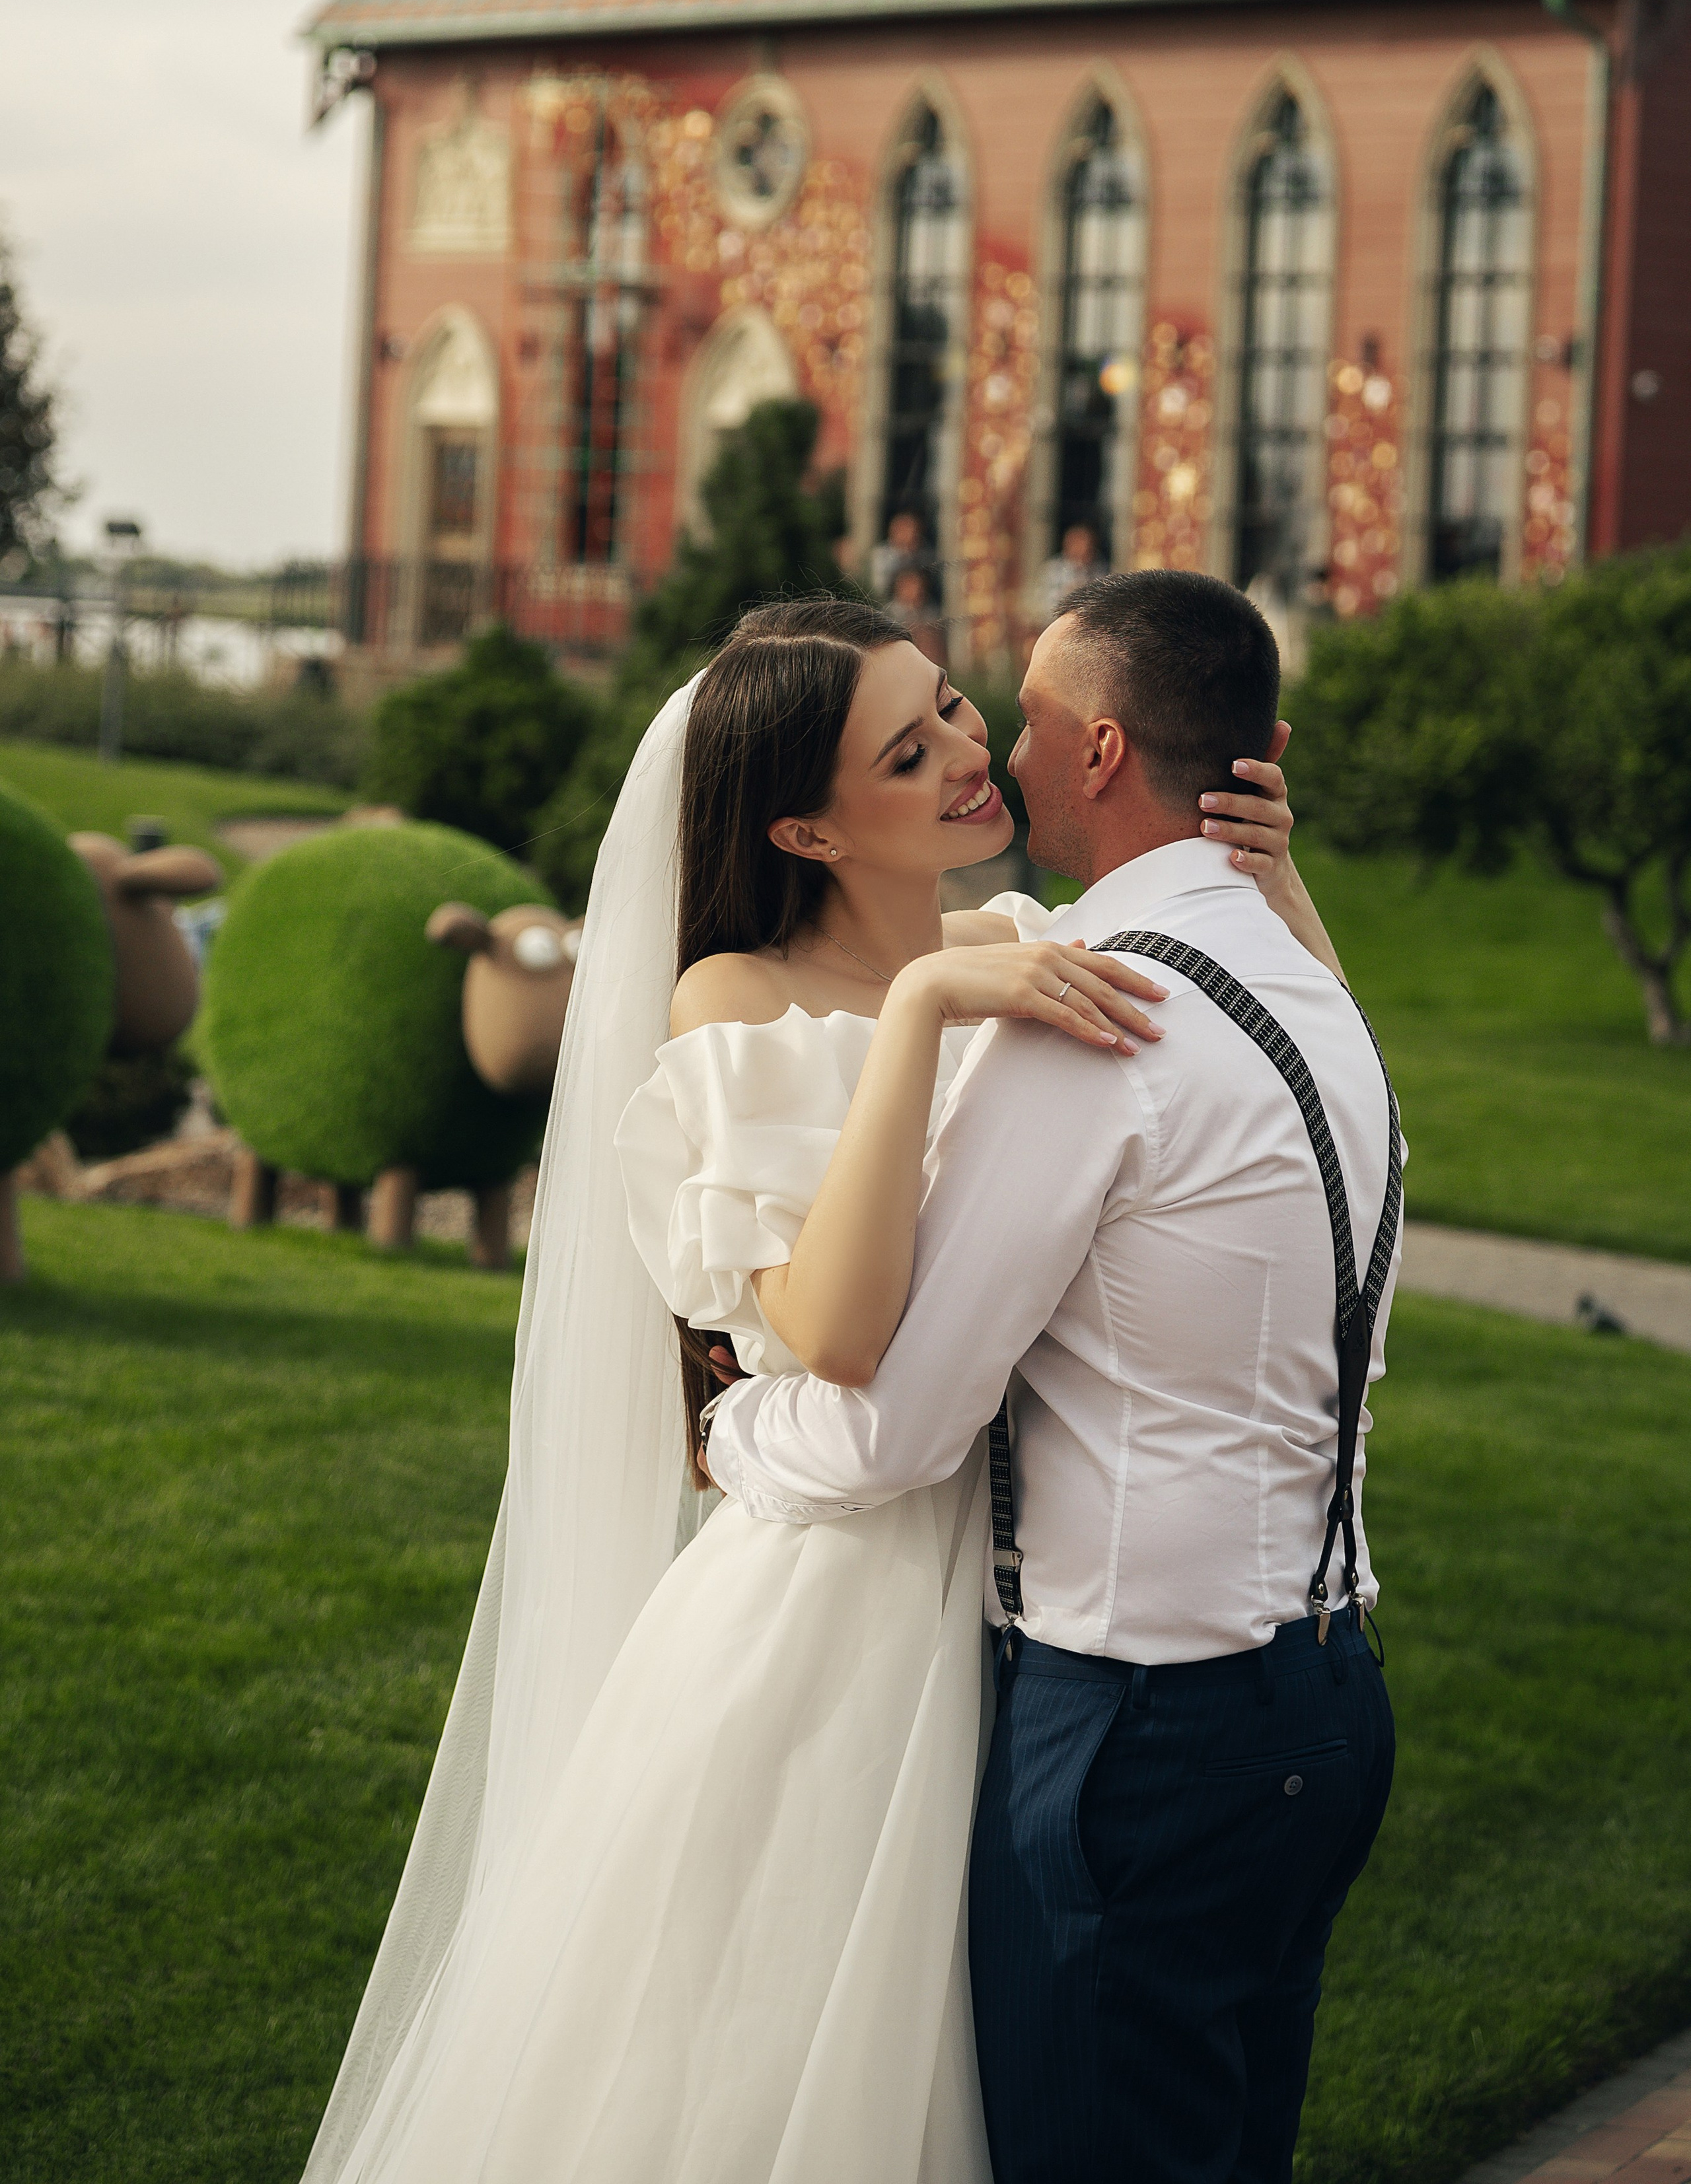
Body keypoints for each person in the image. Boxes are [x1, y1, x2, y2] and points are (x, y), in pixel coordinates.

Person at [299, 596, 1329, 2184]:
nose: (967, 755)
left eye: (954, 710)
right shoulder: (736, 998)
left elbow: (1303, 1092)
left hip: (1031, 1597)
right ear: (804, 827)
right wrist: (914, 1012)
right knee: (773, 2066)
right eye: (904, 753)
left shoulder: (1023, 939)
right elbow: (839, 1334)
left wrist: (1270, 881)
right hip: (835, 1611)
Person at [703, 572, 1402, 2184]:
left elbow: (894, 1428)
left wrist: (733, 1421)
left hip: (1140, 1734)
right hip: (1328, 1694)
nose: (994, 751)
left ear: (1097, 750)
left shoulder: (1086, 1015)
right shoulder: (1316, 988)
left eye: (1013, 716)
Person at [1038, 517, 1106, 622]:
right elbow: (1043, 606)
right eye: (1078, 543)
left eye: (1087, 544)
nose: (1084, 548)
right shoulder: (1053, 570)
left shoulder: (1099, 570)